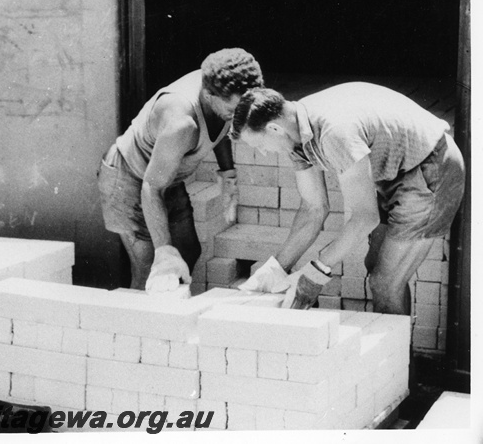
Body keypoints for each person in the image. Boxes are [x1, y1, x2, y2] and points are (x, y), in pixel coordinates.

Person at [231, 83, 465, 314]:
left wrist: (314, 275)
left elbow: (365, 218)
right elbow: (314, 208)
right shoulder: (295, 133)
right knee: (375, 266)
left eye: (260, 144)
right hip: (397, 171)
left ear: (274, 129)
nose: (263, 152)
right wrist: (275, 269)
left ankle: (400, 352)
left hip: (430, 167)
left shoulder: (334, 131)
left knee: (385, 283)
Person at [98, 48, 264, 293]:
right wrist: (163, 252)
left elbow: (223, 127)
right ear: (209, 95)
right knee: (150, 270)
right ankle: (141, 328)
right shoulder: (181, 123)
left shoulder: (224, 89)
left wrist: (228, 175)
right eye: (233, 111)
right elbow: (151, 187)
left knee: (188, 251)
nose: (238, 117)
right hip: (130, 178)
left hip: (166, 175)